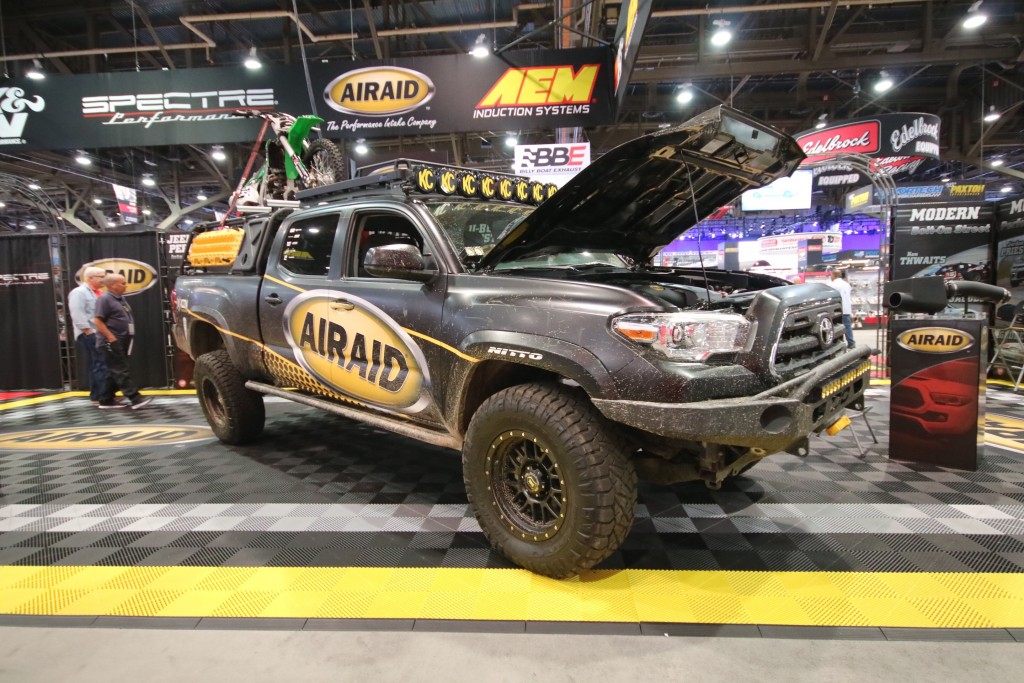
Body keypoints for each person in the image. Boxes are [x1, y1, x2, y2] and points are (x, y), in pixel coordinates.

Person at [93, 273, 153, 410]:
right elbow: (98, 321)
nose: (126, 285)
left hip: (122, 339)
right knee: (120, 370)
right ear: (113, 285)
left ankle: (106, 399)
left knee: (113, 371)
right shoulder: (105, 299)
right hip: (110, 341)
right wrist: (111, 337)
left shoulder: (120, 299)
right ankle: (135, 398)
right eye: (123, 283)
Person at [68, 266, 110, 405]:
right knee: (100, 363)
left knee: (97, 363)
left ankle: (97, 395)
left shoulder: (99, 292)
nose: (104, 279)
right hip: (89, 333)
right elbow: (77, 313)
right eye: (101, 276)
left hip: (99, 332)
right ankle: (103, 396)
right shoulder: (79, 293)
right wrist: (88, 331)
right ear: (90, 278)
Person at [828, 268, 855, 349]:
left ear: (834, 275)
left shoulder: (832, 285)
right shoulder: (846, 284)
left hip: (837, 310)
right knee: (847, 326)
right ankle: (851, 343)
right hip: (846, 309)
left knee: (836, 327)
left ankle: (838, 344)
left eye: (831, 275)